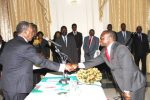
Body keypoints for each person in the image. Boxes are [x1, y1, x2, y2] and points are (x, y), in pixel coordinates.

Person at [0, 21, 73, 100]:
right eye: (32, 31)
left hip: (6, 85)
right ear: (26, 32)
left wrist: (26, 66)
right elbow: (42, 61)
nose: (34, 34)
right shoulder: (25, 46)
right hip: (18, 87)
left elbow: (3, 60)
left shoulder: (9, 43)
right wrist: (63, 66)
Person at [71, 30, 146, 100]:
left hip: (134, 83)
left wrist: (126, 90)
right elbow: (94, 61)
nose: (100, 41)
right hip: (123, 83)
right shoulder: (104, 51)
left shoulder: (121, 49)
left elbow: (127, 70)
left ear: (110, 39)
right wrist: (77, 65)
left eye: (102, 38)